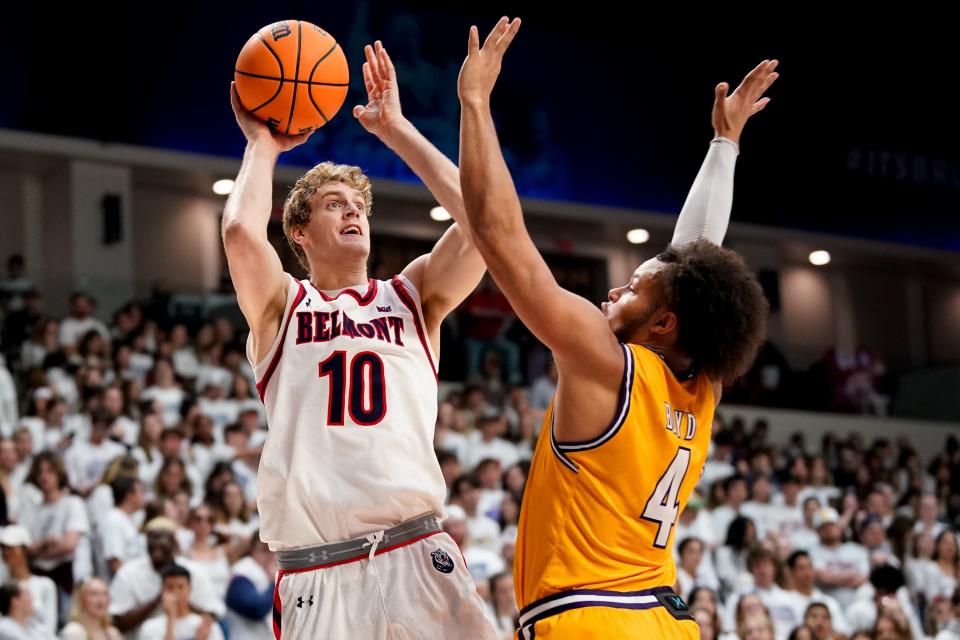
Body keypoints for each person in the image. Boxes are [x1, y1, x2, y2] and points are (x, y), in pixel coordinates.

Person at [457, 17, 775, 638]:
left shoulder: (606, 361)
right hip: (667, 619)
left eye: (630, 288)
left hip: (588, 620)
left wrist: (474, 103)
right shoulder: (702, 379)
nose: (612, 289)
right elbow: (693, 266)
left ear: (661, 322)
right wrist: (724, 145)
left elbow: (498, 235)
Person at [223, 37, 493, 638]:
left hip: (418, 553)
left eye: (358, 207)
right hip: (317, 572)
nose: (352, 214)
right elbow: (242, 232)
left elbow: (485, 223)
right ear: (299, 232)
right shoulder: (283, 306)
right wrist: (262, 143)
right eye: (332, 205)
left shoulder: (412, 295)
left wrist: (397, 132)